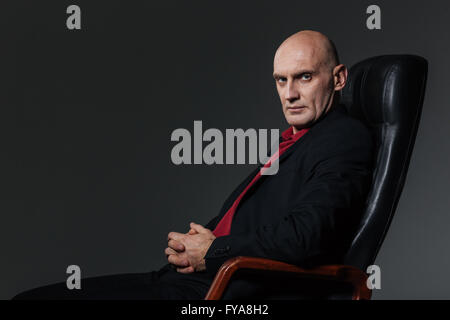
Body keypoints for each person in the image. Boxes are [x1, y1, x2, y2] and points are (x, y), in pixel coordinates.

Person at [13, 30, 373, 300]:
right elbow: (264, 219)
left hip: (230, 293)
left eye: (304, 77)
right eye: (281, 80)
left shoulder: (342, 139)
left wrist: (213, 250)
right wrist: (193, 246)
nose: (290, 93)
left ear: (338, 78)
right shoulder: (297, 140)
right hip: (196, 279)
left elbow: (305, 237)